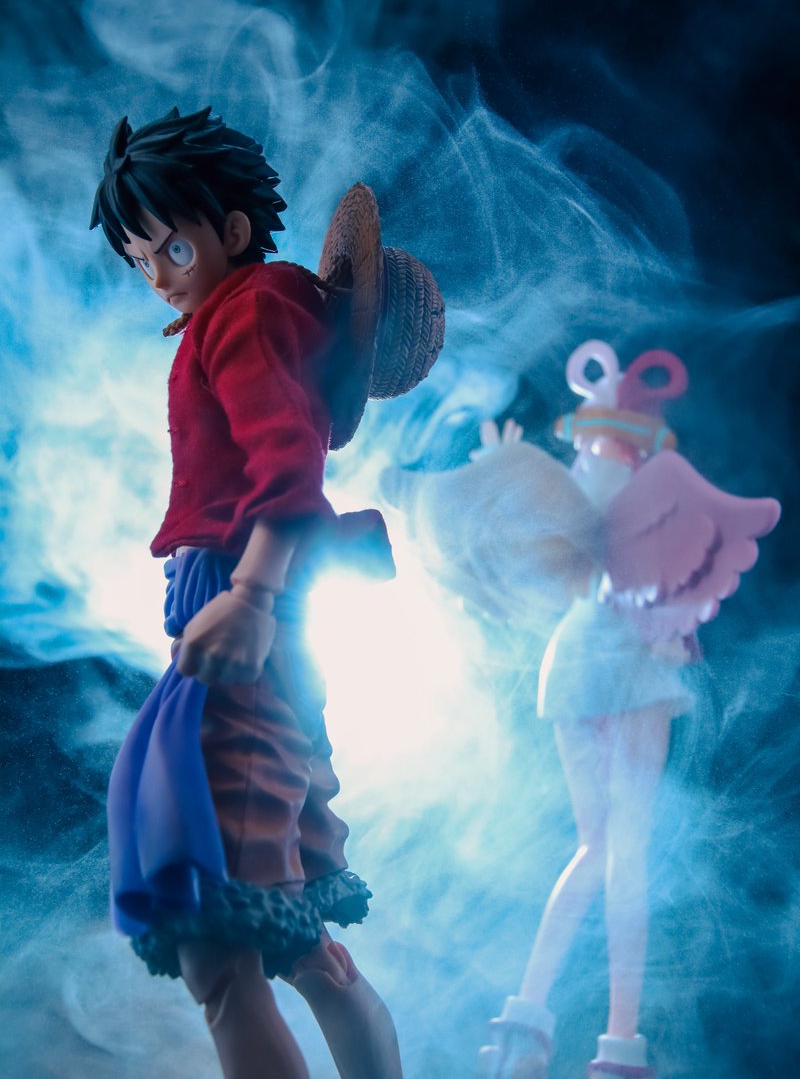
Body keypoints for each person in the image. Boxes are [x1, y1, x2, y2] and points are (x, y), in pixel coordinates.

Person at [90, 105, 443, 1079]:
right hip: (253, 622)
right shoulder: (256, 312)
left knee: (220, 952)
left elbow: (284, 461)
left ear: (233, 229)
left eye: (172, 247)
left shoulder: (247, 312)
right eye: (141, 261)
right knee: (300, 948)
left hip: (249, 612)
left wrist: (248, 594)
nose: (160, 276)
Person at [382, 339, 778, 1079]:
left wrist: (500, 467)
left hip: (573, 660)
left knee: (597, 847)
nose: (595, 452)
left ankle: (527, 1020)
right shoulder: (634, 492)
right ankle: (617, 1042)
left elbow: (544, 536)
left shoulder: (566, 487)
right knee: (623, 850)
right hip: (623, 663)